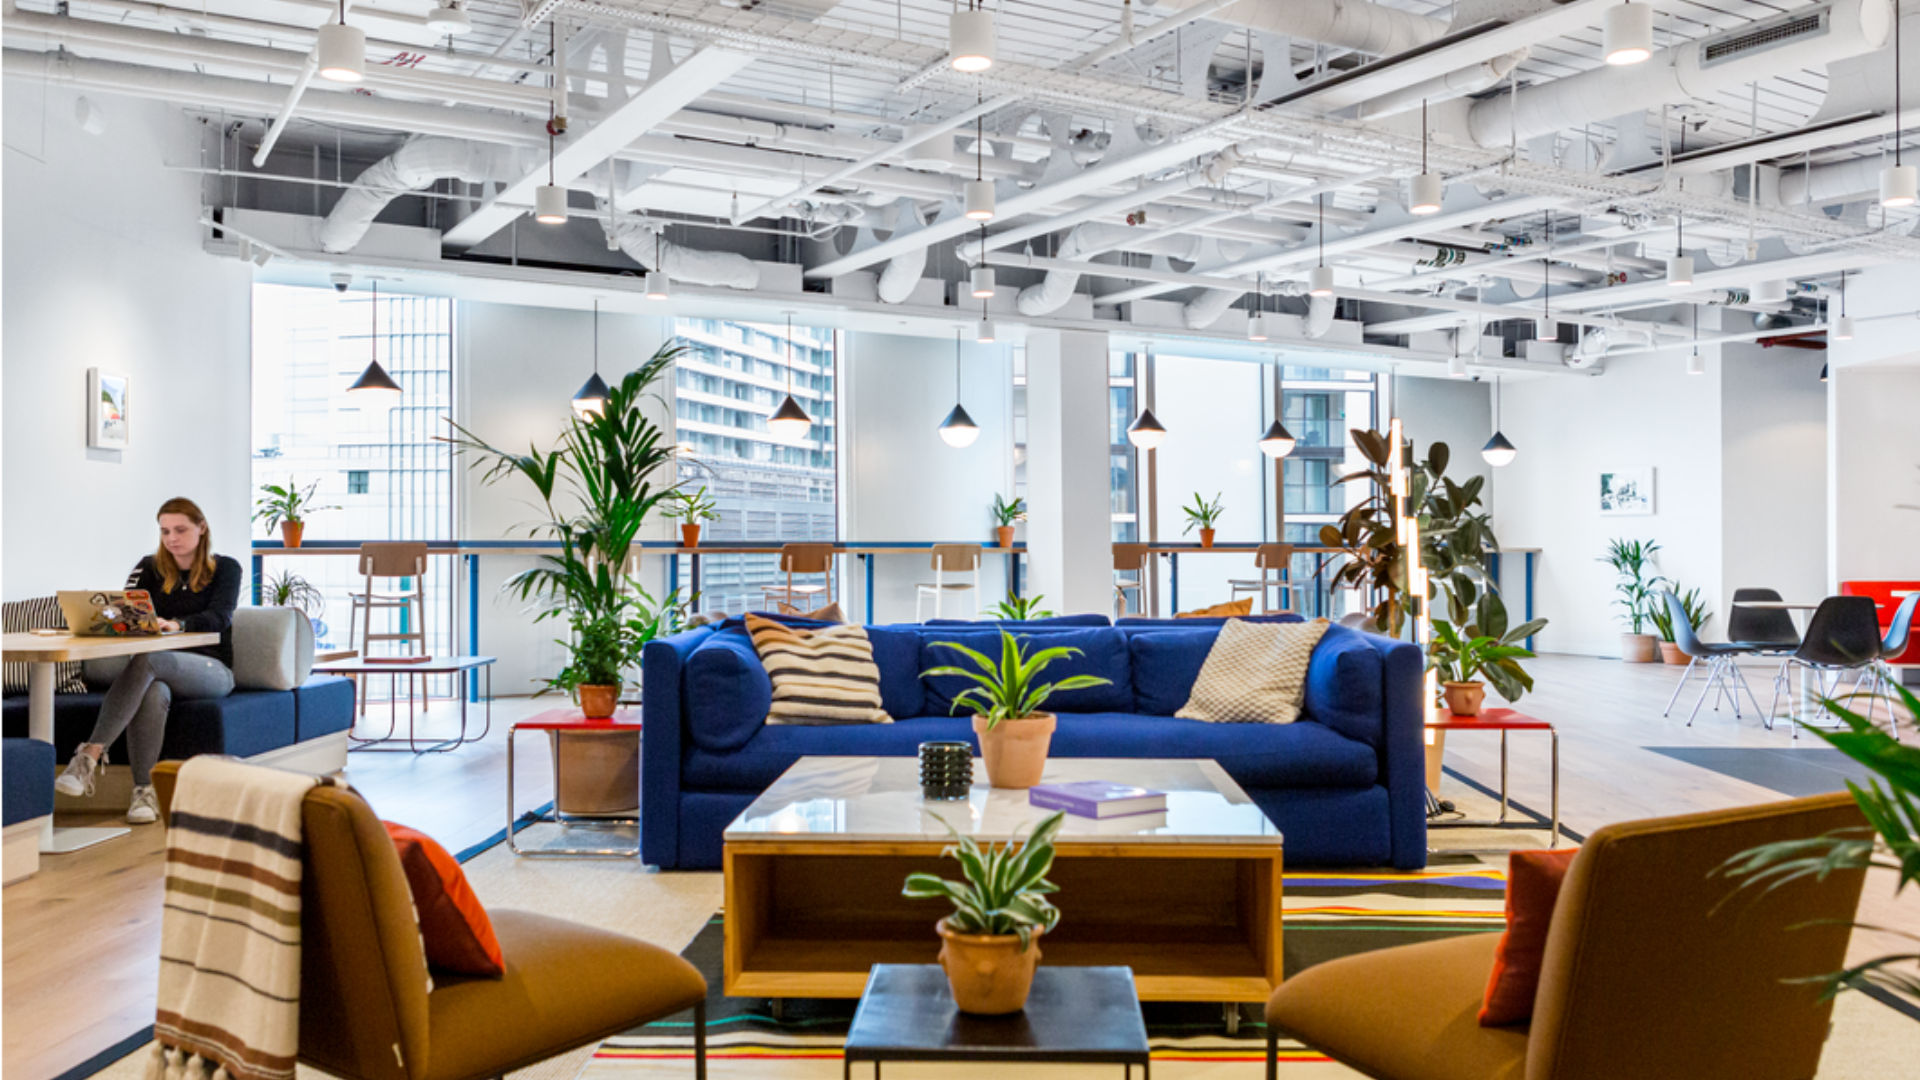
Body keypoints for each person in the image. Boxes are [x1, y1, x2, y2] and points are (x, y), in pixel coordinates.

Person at [53, 497, 242, 823]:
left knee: (151, 659)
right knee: (152, 692)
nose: (172, 538)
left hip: (211, 670)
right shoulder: (149, 567)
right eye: (165, 531)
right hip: (157, 671)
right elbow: (126, 609)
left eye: (180, 529)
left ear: (201, 528)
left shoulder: (225, 568)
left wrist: (178, 625)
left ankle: (89, 754)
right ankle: (144, 791)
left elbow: (220, 617)